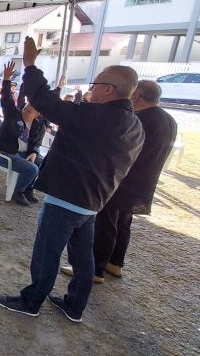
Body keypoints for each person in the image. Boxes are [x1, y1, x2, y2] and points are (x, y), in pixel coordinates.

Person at [0, 37, 144, 323]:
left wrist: (30, 65)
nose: (91, 90)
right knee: (82, 257)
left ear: (109, 90)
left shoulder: (96, 116)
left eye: (95, 85)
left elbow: (45, 101)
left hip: (68, 199)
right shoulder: (134, 124)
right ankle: (75, 305)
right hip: (94, 201)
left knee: (47, 253)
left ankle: (31, 301)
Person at [61, 80, 177, 283]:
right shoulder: (168, 119)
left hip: (124, 179)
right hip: (144, 181)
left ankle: (95, 269)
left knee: (105, 222)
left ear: (136, 96)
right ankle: (115, 263)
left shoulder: (138, 119)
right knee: (123, 223)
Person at [0, 61, 46, 206]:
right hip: (6, 153)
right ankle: (18, 191)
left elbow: (36, 143)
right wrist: (6, 79)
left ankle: (29, 188)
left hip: (23, 154)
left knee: (43, 163)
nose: (24, 111)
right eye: (25, 108)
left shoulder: (38, 125)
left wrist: (34, 152)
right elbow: (6, 99)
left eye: (29, 111)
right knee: (32, 168)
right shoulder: (13, 115)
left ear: (36, 115)